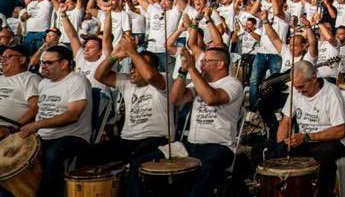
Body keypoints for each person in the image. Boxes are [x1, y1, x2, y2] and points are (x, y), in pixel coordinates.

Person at [163, 46, 245, 197]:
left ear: (220, 64)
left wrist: (192, 68)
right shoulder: (198, 82)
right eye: (201, 61)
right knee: (150, 161)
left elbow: (211, 98)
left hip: (219, 147)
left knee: (206, 169)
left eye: (206, 61)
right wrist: (183, 70)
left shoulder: (233, 84)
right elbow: (175, 99)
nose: (202, 64)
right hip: (191, 145)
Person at [94, 34, 169, 185]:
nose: (133, 70)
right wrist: (114, 57)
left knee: (137, 162)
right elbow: (99, 76)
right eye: (132, 66)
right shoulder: (126, 81)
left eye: (138, 66)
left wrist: (132, 52)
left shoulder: (163, 78)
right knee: (89, 155)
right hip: (127, 139)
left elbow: (149, 75)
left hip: (156, 140)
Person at [19, 45, 92, 197]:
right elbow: (39, 112)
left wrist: (37, 125)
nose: (43, 66)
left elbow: (73, 115)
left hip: (72, 136)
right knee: (15, 152)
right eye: (42, 62)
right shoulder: (43, 83)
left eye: (48, 63)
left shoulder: (77, 81)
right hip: (43, 135)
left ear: (64, 64)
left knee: (51, 154)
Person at [276, 60, 345, 197]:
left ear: (314, 78)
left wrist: (307, 136)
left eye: (302, 87)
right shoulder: (296, 91)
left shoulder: (331, 92)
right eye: (296, 87)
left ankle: (322, 193)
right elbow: (286, 121)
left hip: (331, 141)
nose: (299, 91)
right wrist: (281, 144)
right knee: (275, 151)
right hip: (305, 140)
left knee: (323, 157)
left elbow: (340, 130)